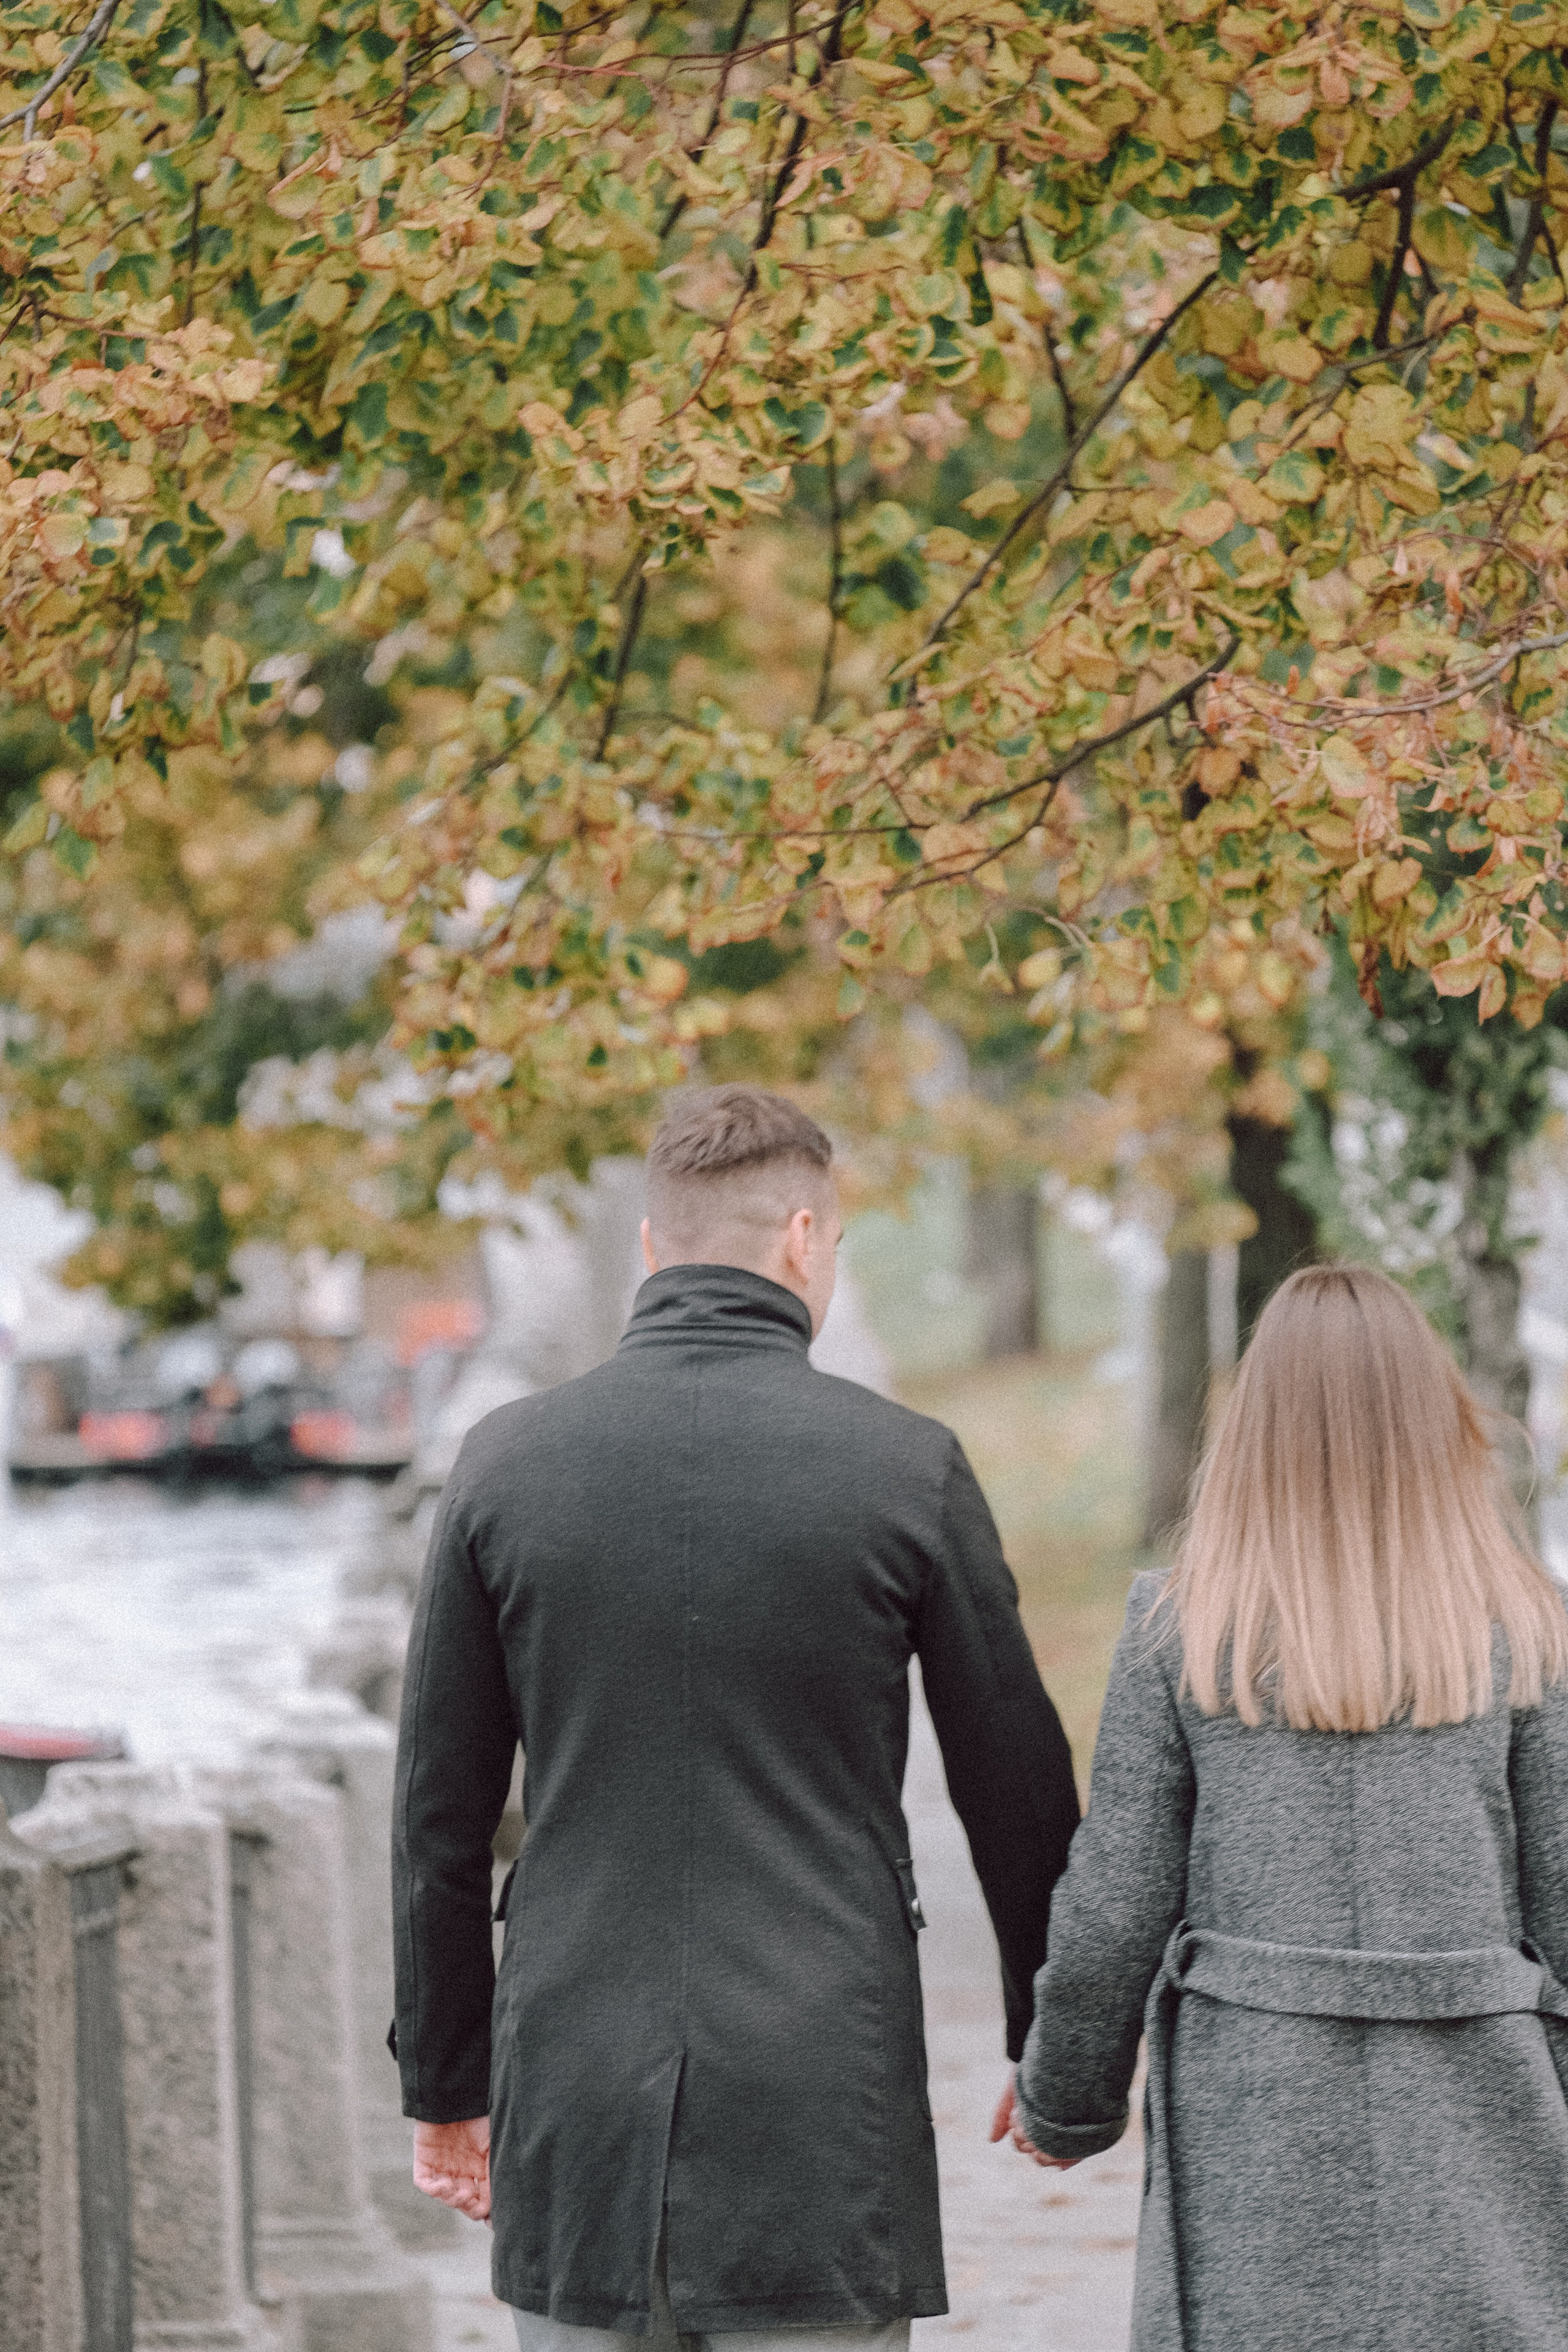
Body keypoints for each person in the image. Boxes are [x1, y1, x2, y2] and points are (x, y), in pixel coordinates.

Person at [391, 1083, 1080, 2349]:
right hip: (820, 2087)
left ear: (652, 1245)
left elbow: (439, 1815)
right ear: (804, 1239)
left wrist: (443, 2080)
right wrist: (1059, 2045)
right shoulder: (905, 1467)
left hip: (576, 2080)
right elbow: (1016, 1788)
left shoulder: (503, 1462)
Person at [1000, 1262, 1568, 2351]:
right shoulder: (1528, 1629)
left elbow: (1117, 1898)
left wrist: (1063, 2099)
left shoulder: (1184, 1627)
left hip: (1255, 2107)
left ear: (1253, 1428)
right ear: (1436, 1421)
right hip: (1479, 2112)